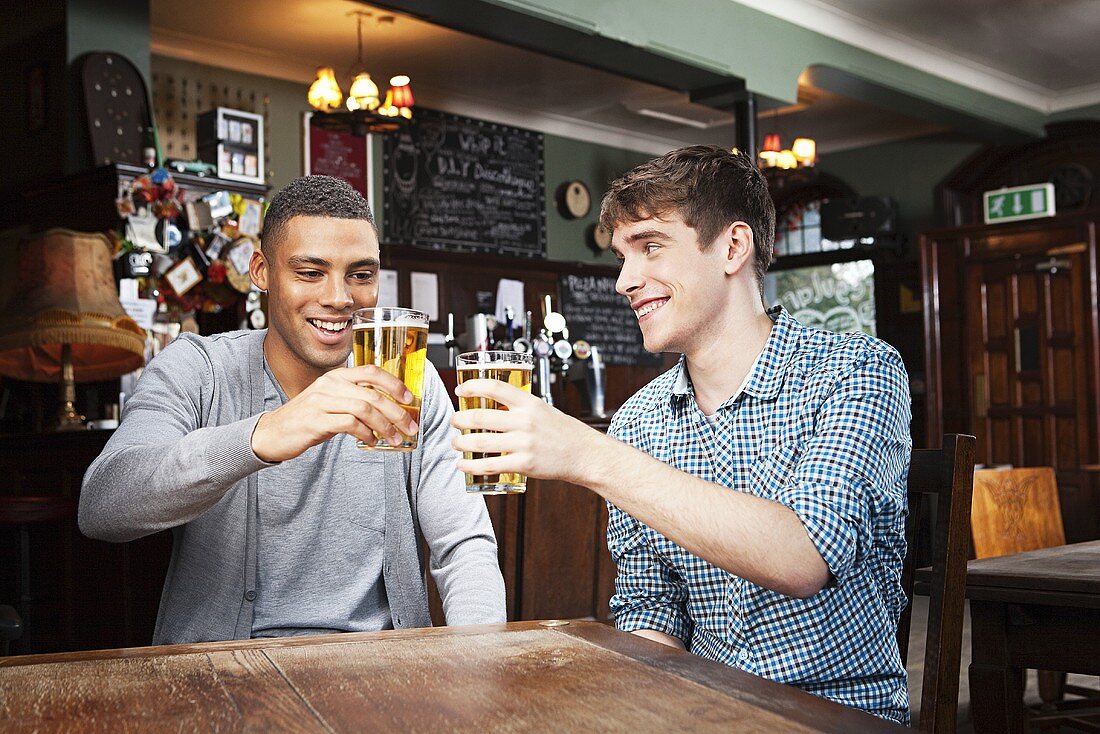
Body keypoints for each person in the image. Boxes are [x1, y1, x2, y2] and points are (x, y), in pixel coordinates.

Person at [451, 145, 912, 723]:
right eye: (621, 257)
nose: (624, 281)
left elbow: (803, 558)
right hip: (704, 713)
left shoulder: (854, 372)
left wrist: (589, 455)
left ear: (733, 248)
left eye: (649, 248)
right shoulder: (639, 420)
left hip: (835, 714)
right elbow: (652, 614)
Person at [81, 175, 505, 644]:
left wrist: (479, 664)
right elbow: (103, 506)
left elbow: (464, 546)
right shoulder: (198, 369)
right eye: (310, 272)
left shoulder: (409, 378)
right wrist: (262, 437)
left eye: (360, 275)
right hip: (223, 677)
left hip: (384, 676)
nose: (339, 298)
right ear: (260, 271)